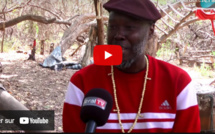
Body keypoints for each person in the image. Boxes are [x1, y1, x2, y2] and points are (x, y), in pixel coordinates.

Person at [62, 0, 201, 133]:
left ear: (150, 31)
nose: (118, 35)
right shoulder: (81, 82)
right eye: (113, 27)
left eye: (129, 27)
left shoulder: (179, 83)